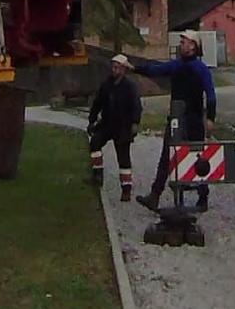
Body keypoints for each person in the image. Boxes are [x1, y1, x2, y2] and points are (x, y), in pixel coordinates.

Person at [132, 33, 217, 213]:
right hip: (176, 118)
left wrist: (210, 118)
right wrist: (134, 68)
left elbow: (210, 94)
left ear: (193, 46)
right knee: (166, 157)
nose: (181, 44)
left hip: (193, 119)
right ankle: (155, 196)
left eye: (184, 42)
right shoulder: (177, 65)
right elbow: (156, 69)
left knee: (197, 157)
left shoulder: (201, 69)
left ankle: (203, 198)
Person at [87, 53, 142, 201]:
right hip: (107, 123)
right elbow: (98, 102)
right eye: (113, 67)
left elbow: (136, 106)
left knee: (123, 158)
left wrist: (135, 123)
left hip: (123, 126)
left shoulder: (130, 86)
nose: (114, 70)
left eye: (118, 68)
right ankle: (97, 174)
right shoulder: (107, 84)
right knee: (95, 143)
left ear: (123, 70)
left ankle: (126, 189)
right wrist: (92, 120)